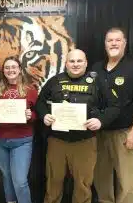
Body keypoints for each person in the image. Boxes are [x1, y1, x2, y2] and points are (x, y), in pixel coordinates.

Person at [35, 49, 120, 203]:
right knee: (53, 181)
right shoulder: (55, 81)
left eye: (79, 61)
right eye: (72, 61)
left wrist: (100, 121)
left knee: (83, 184)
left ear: (86, 63)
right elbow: (40, 102)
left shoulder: (97, 81)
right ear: (66, 63)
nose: (75, 64)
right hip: (57, 141)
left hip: (85, 142)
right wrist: (44, 115)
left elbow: (114, 107)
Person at [93, 27, 133, 203]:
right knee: (101, 180)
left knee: (127, 181)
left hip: (125, 133)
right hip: (99, 133)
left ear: (124, 43)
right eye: (110, 40)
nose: (114, 43)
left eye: (118, 40)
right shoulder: (96, 68)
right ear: (105, 44)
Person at [0, 56, 38, 203]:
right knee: (7, 177)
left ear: (19, 69)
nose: (10, 70)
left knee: (20, 180)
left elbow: (38, 113)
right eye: (7, 67)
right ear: (3, 71)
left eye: (13, 67)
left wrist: (31, 115)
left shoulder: (31, 89)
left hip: (22, 140)